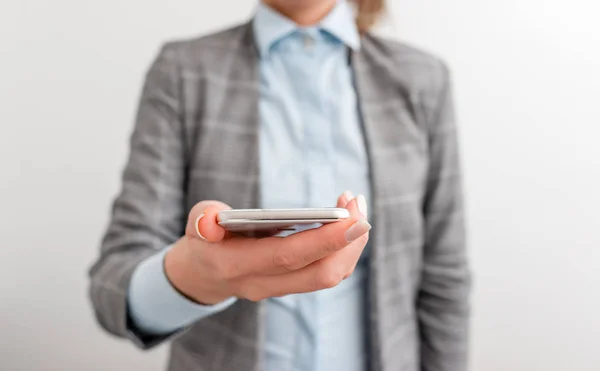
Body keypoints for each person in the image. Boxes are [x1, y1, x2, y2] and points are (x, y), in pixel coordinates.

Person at [88, 0, 471, 370]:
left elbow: (444, 279)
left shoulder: (423, 78)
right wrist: (193, 279)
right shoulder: (182, 71)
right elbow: (111, 290)